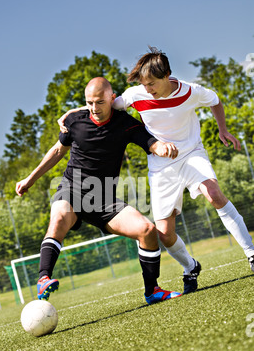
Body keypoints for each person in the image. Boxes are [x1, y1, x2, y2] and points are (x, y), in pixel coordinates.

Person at [58, 49, 254, 293]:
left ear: (168, 75)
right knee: (165, 235)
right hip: (161, 166)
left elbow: (215, 100)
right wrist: (74, 112)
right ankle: (190, 267)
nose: (147, 88)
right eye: (144, 83)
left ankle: (251, 253)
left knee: (213, 194)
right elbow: (101, 103)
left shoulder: (190, 91)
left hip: (192, 154)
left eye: (152, 83)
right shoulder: (135, 94)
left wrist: (222, 129)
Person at [16, 77, 181, 305]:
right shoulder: (74, 121)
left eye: (99, 102)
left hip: (103, 200)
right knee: (60, 216)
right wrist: (30, 179)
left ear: (112, 99)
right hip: (71, 190)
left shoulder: (125, 123)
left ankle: (152, 290)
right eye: (89, 103)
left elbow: (150, 142)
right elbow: (56, 152)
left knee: (147, 230)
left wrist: (163, 148)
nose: (94, 108)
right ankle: (44, 278)